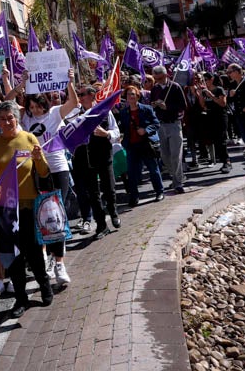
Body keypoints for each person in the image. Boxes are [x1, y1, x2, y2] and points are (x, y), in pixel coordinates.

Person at [0, 101, 53, 319]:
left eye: (10, 117)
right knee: (13, 257)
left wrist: (37, 157)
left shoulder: (28, 139)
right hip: (6, 209)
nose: (6, 122)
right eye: (2, 118)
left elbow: (43, 172)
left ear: (17, 118)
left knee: (34, 251)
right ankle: (21, 298)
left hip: (28, 206)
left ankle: (45, 286)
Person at [21, 81, 80, 287]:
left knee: (57, 214)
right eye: (31, 107)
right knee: (43, 215)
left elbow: (73, 103)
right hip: (38, 170)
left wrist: (69, 80)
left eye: (38, 106)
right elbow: (9, 102)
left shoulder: (55, 113)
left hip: (58, 168)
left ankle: (59, 264)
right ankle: (46, 255)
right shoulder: (26, 120)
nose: (35, 110)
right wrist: (17, 82)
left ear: (44, 103)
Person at [70, 83, 121, 235]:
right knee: (93, 193)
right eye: (78, 95)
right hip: (85, 159)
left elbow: (116, 132)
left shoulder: (104, 111)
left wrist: (106, 134)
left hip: (104, 155)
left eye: (82, 94)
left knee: (109, 188)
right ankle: (101, 225)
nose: (79, 98)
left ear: (92, 95)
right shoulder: (76, 115)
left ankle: (113, 212)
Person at [116, 84, 164, 204]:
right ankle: (134, 197)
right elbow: (122, 127)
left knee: (153, 169)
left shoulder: (146, 109)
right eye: (128, 94)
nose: (130, 96)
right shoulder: (124, 112)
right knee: (132, 172)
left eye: (133, 94)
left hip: (146, 144)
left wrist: (146, 130)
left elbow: (156, 123)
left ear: (137, 96)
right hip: (131, 146)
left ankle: (159, 192)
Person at [149, 66, 186, 194]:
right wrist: (154, 105)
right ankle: (176, 176)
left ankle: (178, 182)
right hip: (161, 124)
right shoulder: (154, 89)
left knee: (176, 154)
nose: (157, 80)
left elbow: (183, 105)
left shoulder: (175, 87)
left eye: (159, 78)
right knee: (165, 156)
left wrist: (168, 107)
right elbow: (151, 103)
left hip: (174, 124)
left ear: (165, 76)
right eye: (155, 78)